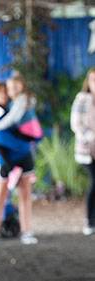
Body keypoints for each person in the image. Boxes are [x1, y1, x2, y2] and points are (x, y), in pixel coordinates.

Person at [0, 75, 38, 246]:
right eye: (0, 93)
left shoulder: (19, 107)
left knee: (25, 194)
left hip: (23, 156)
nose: (4, 95)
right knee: (0, 195)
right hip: (4, 160)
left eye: (7, 92)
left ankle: (27, 231)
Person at [70, 66, 95, 236]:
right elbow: (76, 124)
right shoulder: (82, 99)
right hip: (87, 151)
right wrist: (91, 135)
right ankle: (89, 220)